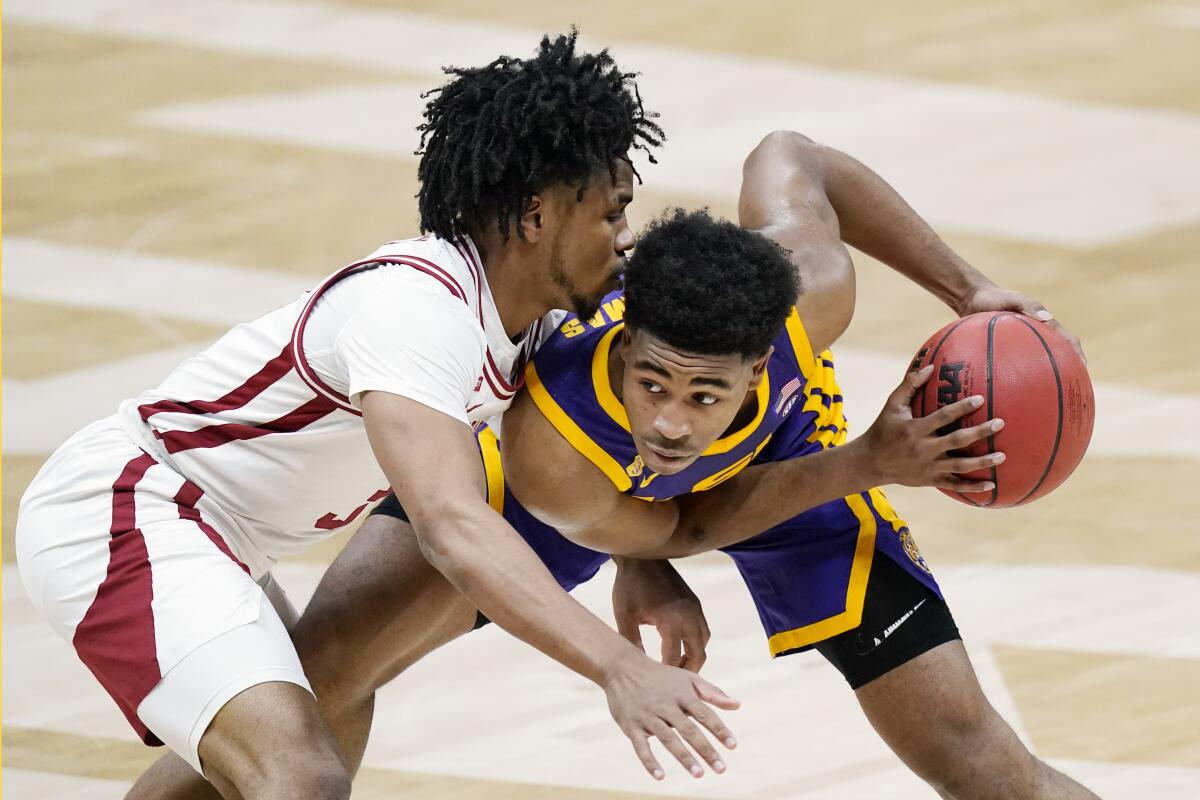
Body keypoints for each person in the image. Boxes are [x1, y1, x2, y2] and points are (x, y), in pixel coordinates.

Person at [16, 31, 757, 800]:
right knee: (300, 774)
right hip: (125, 515)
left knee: (331, 700)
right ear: (536, 216)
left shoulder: (530, 314)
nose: (626, 236)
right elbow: (451, 528)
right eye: (612, 212)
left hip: (222, 537)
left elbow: (587, 440)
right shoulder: (418, 311)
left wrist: (643, 561)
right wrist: (616, 666)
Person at [283, 132, 1098, 799]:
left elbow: (791, 155)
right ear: (627, 343)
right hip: (600, 491)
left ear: (761, 361)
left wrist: (969, 291)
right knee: (322, 671)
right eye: (654, 383)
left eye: (706, 395)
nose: (673, 424)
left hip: (790, 459)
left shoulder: (813, 289)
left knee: (978, 763)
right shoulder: (551, 443)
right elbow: (681, 523)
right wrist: (639, 555)